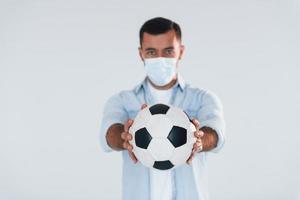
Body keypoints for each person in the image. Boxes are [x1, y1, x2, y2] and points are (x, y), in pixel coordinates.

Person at [100, 17, 225, 200]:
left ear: (180, 52)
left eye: (168, 51)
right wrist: (124, 137)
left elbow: (216, 135)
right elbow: (108, 135)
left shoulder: (203, 99)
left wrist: (199, 139)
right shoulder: (121, 101)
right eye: (151, 52)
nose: (160, 59)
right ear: (141, 54)